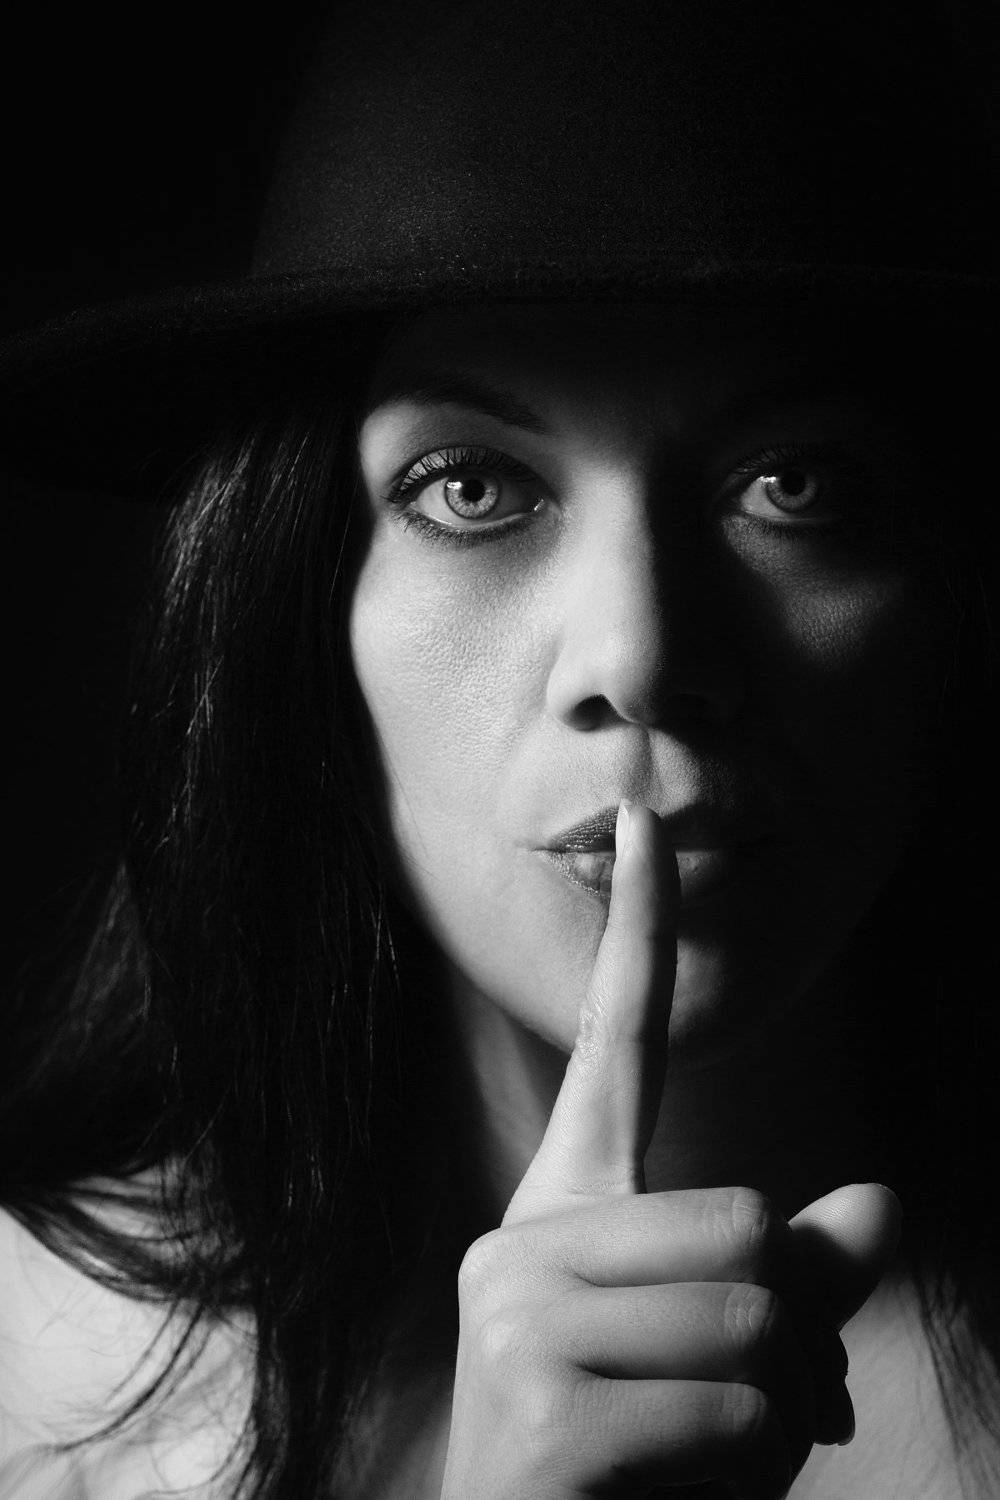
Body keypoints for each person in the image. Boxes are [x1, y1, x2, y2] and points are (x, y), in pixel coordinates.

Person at [0, 1, 996, 1496]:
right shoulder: (28, 1381)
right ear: (295, 609)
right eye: (472, 486)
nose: (638, 657)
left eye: (796, 484)